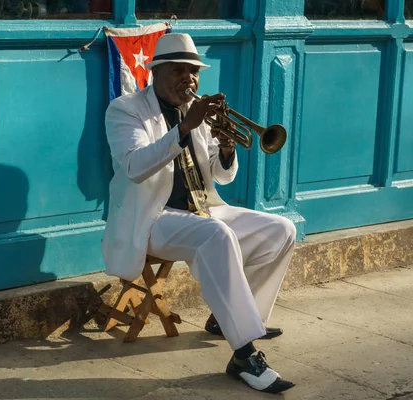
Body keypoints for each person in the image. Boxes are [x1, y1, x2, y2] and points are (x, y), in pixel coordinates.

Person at [101, 33, 297, 394]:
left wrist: (225, 149)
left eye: (193, 73)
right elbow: (133, 166)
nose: (187, 80)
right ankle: (244, 354)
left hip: (203, 208)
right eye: (178, 72)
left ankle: (234, 320)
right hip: (152, 218)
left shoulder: (198, 112)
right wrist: (185, 126)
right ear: (155, 72)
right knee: (217, 236)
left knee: (281, 229)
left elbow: (221, 175)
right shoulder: (126, 110)